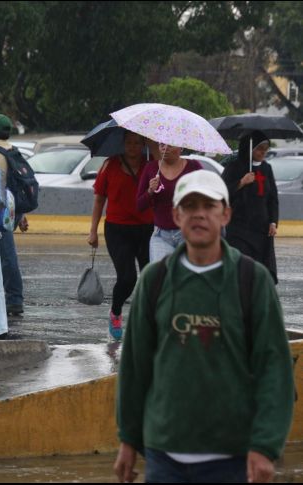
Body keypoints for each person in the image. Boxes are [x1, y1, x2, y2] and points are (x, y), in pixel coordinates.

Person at [115, 170, 293, 484]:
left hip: (233, 457)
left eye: (209, 205)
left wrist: (265, 445)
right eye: (190, 205)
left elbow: (274, 369)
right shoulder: (154, 281)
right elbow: (135, 365)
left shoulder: (253, 280)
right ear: (175, 214)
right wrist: (128, 440)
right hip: (163, 456)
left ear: (225, 214)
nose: (199, 214)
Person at [88, 131, 154, 341]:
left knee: (150, 277)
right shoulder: (110, 165)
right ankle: (116, 313)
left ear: (143, 144)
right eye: (129, 143)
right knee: (127, 278)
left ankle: (146, 319)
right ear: (122, 144)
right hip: (118, 230)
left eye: (137, 143)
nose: (133, 147)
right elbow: (99, 200)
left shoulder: (151, 166)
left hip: (147, 229)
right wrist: (93, 231)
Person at [0, 114, 29, 316]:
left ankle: (14, 299)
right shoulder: (14, 151)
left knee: (5, 255)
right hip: (13, 210)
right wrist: (22, 213)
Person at [222, 131, 279, 284]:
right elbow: (221, 192)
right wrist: (241, 182)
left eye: (266, 149)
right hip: (239, 227)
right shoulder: (233, 167)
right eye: (260, 148)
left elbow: (273, 198)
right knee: (241, 267)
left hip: (261, 228)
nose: (263, 152)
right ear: (249, 148)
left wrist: (273, 222)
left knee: (259, 270)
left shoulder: (267, 169)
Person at [137, 143, 202, 262]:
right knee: (161, 277)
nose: (164, 148)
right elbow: (139, 205)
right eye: (161, 144)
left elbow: (208, 195)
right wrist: (150, 191)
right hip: (161, 235)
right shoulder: (151, 168)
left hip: (188, 232)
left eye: (170, 145)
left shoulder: (194, 166)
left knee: (185, 277)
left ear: (181, 147)